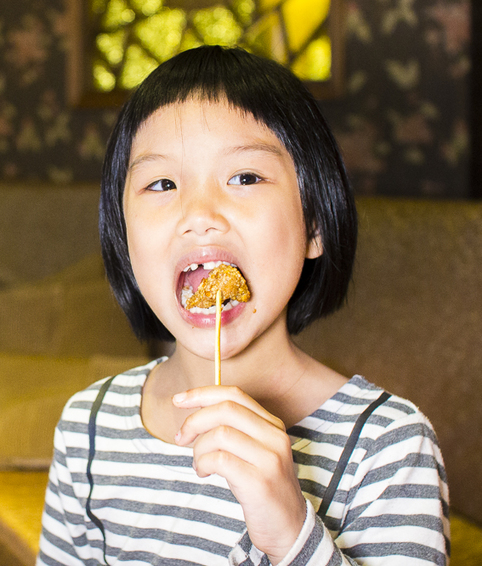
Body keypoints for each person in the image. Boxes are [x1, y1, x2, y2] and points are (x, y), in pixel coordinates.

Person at [37, 46, 448, 566]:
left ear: (315, 226)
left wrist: (290, 531)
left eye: (245, 177)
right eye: (162, 183)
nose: (200, 214)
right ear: (125, 242)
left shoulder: (388, 447)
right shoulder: (88, 426)